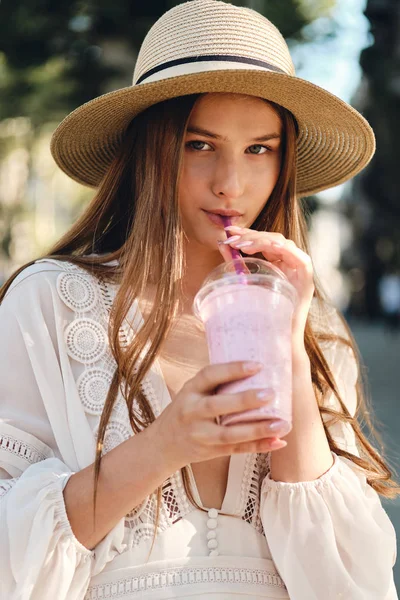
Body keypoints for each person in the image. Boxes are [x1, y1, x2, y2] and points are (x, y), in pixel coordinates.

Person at [0, 1, 398, 598]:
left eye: (260, 149)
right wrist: (164, 445)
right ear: (150, 151)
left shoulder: (315, 326)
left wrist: (291, 347)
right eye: (199, 144)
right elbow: (10, 557)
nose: (231, 184)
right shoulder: (50, 304)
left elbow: (348, 580)